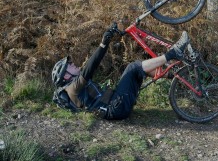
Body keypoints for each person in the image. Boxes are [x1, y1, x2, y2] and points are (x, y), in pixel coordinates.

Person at [51, 27, 189, 120]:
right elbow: (91, 65)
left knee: (136, 71)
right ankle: (173, 53)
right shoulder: (72, 89)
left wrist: (106, 41)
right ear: (66, 76)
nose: (72, 64)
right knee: (133, 67)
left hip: (116, 105)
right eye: (69, 66)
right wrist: (103, 43)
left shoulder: (77, 88)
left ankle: (177, 76)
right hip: (115, 108)